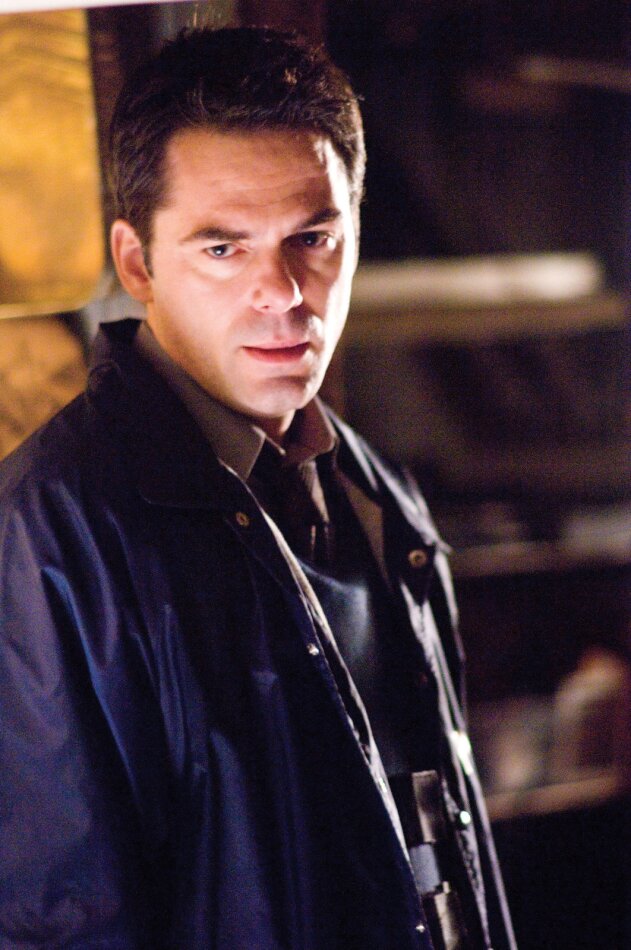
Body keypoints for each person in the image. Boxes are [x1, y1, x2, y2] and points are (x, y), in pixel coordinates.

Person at [0, 27, 515, 950]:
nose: (281, 293)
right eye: (223, 249)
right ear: (136, 263)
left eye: (312, 238)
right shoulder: (49, 533)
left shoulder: (378, 495)